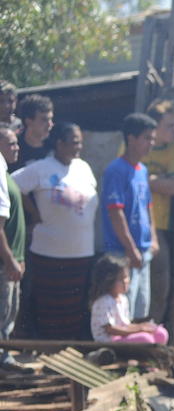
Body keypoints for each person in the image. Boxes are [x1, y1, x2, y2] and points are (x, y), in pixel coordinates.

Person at [12, 122, 98, 339]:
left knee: (74, 308)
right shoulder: (42, 168)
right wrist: (33, 212)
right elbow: (11, 184)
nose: (79, 147)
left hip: (81, 253)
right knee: (48, 306)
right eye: (74, 142)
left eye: (80, 142)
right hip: (49, 253)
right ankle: (44, 350)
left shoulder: (83, 167)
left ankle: (66, 351)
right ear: (59, 143)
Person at [101, 113, 157, 319]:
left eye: (152, 138)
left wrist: (154, 239)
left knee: (141, 308)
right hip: (122, 253)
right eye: (146, 138)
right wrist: (130, 248)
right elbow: (116, 212)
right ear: (131, 139)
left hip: (143, 252)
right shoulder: (116, 170)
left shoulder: (142, 170)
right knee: (123, 311)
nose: (151, 144)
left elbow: (148, 206)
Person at [142, 99, 174, 322]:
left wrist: (144, 178)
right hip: (134, 227)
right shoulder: (134, 145)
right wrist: (160, 180)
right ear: (155, 126)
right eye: (170, 125)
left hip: (159, 228)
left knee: (159, 288)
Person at [0, 126, 30, 373]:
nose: (16, 147)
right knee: (2, 313)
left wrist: (18, 257)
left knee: (9, 314)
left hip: (13, 258)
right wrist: (9, 259)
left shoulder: (7, 174)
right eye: (10, 143)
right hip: (3, 262)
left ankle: (5, 359)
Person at [88, 254, 168, 345]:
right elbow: (110, 329)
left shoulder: (123, 299)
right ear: (109, 281)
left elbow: (125, 325)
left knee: (161, 333)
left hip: (122, 336)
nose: (126, 281)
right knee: (145, 339)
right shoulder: (103, 302)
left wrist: (143, 326)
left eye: (127, 277)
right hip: (109, 341)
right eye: (121, 279)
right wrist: (140, 329)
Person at [13, 94, 53, 171]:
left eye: (50, 119)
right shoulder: (14, 148)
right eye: (44, 120)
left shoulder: (55, 144)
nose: (50, 124)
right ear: (28, 121)